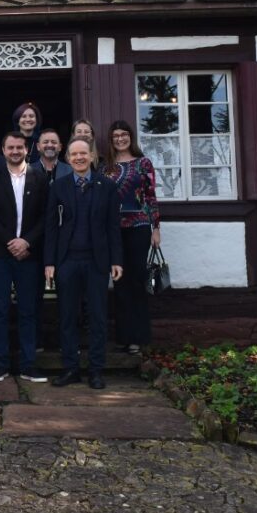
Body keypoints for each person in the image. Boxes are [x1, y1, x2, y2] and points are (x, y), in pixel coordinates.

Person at [44, 137, 124, 389]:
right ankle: (71, 369)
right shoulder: (58, 186)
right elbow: (51, 227)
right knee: (67, 316)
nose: (79, 158)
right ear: (68, 158)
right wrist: (49, 262)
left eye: (83, 153)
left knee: (98, 317)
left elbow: (113, 227)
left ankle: (96, 370)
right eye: (74, 154)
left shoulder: (107, 186)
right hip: (67, 261)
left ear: (91, 156)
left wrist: (116, 260)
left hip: (96, 261)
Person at [0, 132, 50, 382]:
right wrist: (11, 241)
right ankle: (0, 365)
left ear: (28, 149)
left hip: (29, 254)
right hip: (1, 253)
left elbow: (46, 215)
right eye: (10, 147)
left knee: (28, 311)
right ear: (3, 150)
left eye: (19, 147)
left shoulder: (39, 177)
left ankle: (28, 365)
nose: (15, 151)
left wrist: (26, 241)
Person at [105, 120, 161, 356]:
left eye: (124, 134)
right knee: (119, 282)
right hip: (113, 230)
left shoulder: (143, 163)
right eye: (116, 135)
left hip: (139, 227)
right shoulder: (105, 167)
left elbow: (151, 196)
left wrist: (156, 228)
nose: (120, 139)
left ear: (131, 137)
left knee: (137, 281)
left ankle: (138, 338)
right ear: (111, 139)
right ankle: (123, 337)